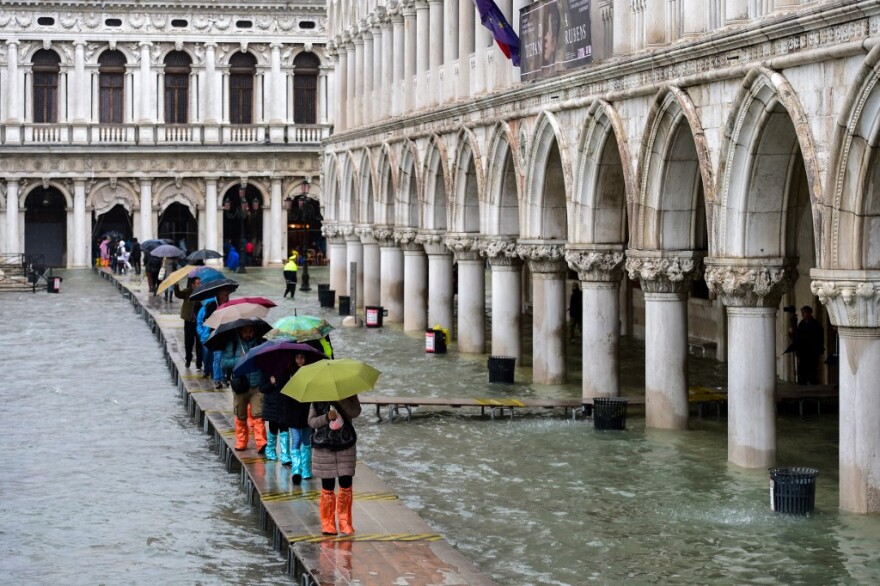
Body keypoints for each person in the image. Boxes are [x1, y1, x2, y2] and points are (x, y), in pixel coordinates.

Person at [309, 395, 361, 535]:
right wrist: (326, 417)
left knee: (346, 483)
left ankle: (345, 522)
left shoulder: (349, 392)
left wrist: (341, 401)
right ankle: (328, 523)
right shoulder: (317, 397)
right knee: (328, 485)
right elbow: (312, 422)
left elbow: (355, 412)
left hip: (346, 445)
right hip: (324, 447)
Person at [261, 353, 314, 485]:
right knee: (295, 439)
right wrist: (273, 383)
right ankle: (296, 470)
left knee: (306, 442)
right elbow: (272, 389)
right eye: (297, 357)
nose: (300, 360)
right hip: (291, 411)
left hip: (306, 412)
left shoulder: (311, 372)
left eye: (302, 357)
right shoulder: (286, 373)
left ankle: (305, 468)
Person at [220, 324, 267, 453]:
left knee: (258, 415)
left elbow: (267, 361)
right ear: (240, 331)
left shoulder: (260, 343)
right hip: (240, 387)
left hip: (256, 386)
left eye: (250, 331)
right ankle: (241, 441)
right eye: (245, 331)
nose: (248, 334)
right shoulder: (233, 344)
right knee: (240, 416)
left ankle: (261, 442)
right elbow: (224, 363)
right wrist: (239, 359)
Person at [196, 285, 233, 388]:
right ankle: (216, 378)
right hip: (214, 336)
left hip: (225, 335)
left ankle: (222, 377)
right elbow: (208, 320)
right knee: (217, 357)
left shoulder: (228, 305)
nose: (227, 297)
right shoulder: (212, 305)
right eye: (225, 295)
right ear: (219, 295)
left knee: (224, 357)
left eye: (228, 295)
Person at [174, 276, 202, 369]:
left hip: (199, 323)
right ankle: (188, 360)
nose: (199, 284)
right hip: (189, 321)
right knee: (188, 343)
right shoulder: (187, 292)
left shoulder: (202, 293)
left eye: (199, 283)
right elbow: (178, 294)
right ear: (192, 284)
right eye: (197, 283)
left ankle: (199, 363)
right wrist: (176, 285)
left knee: (199, 343)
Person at [794, 305, 824, 385]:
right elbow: (797, 337)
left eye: (806, 313)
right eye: (803, 313)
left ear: (810, 313)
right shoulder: (801, 324)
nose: (805, 315)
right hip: (803, 352)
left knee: (812, 371)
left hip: (812, 352)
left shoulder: (815, 324)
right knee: (802, 371)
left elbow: (819, 337)